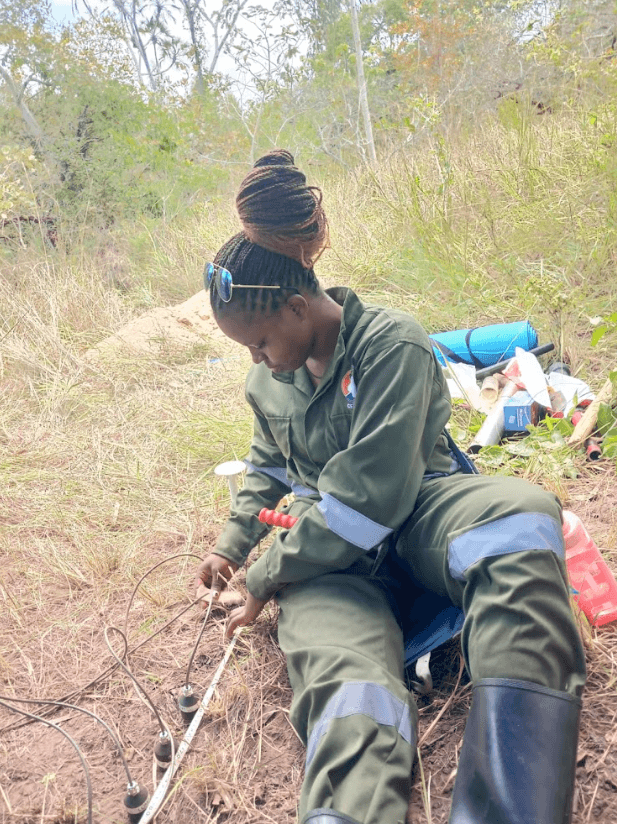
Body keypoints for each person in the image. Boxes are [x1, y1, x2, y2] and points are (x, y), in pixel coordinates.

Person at [194, 149, 586, 824]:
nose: (254, 360)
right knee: (345, 689)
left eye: (257, 342)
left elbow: (368, 502)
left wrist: (265, 578)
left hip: (421, 510)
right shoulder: (268, 381)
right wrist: (233, 545)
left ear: (293, 307)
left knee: (519, 518)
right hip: (334, 567)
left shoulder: (390, 346)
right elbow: (266, 468)